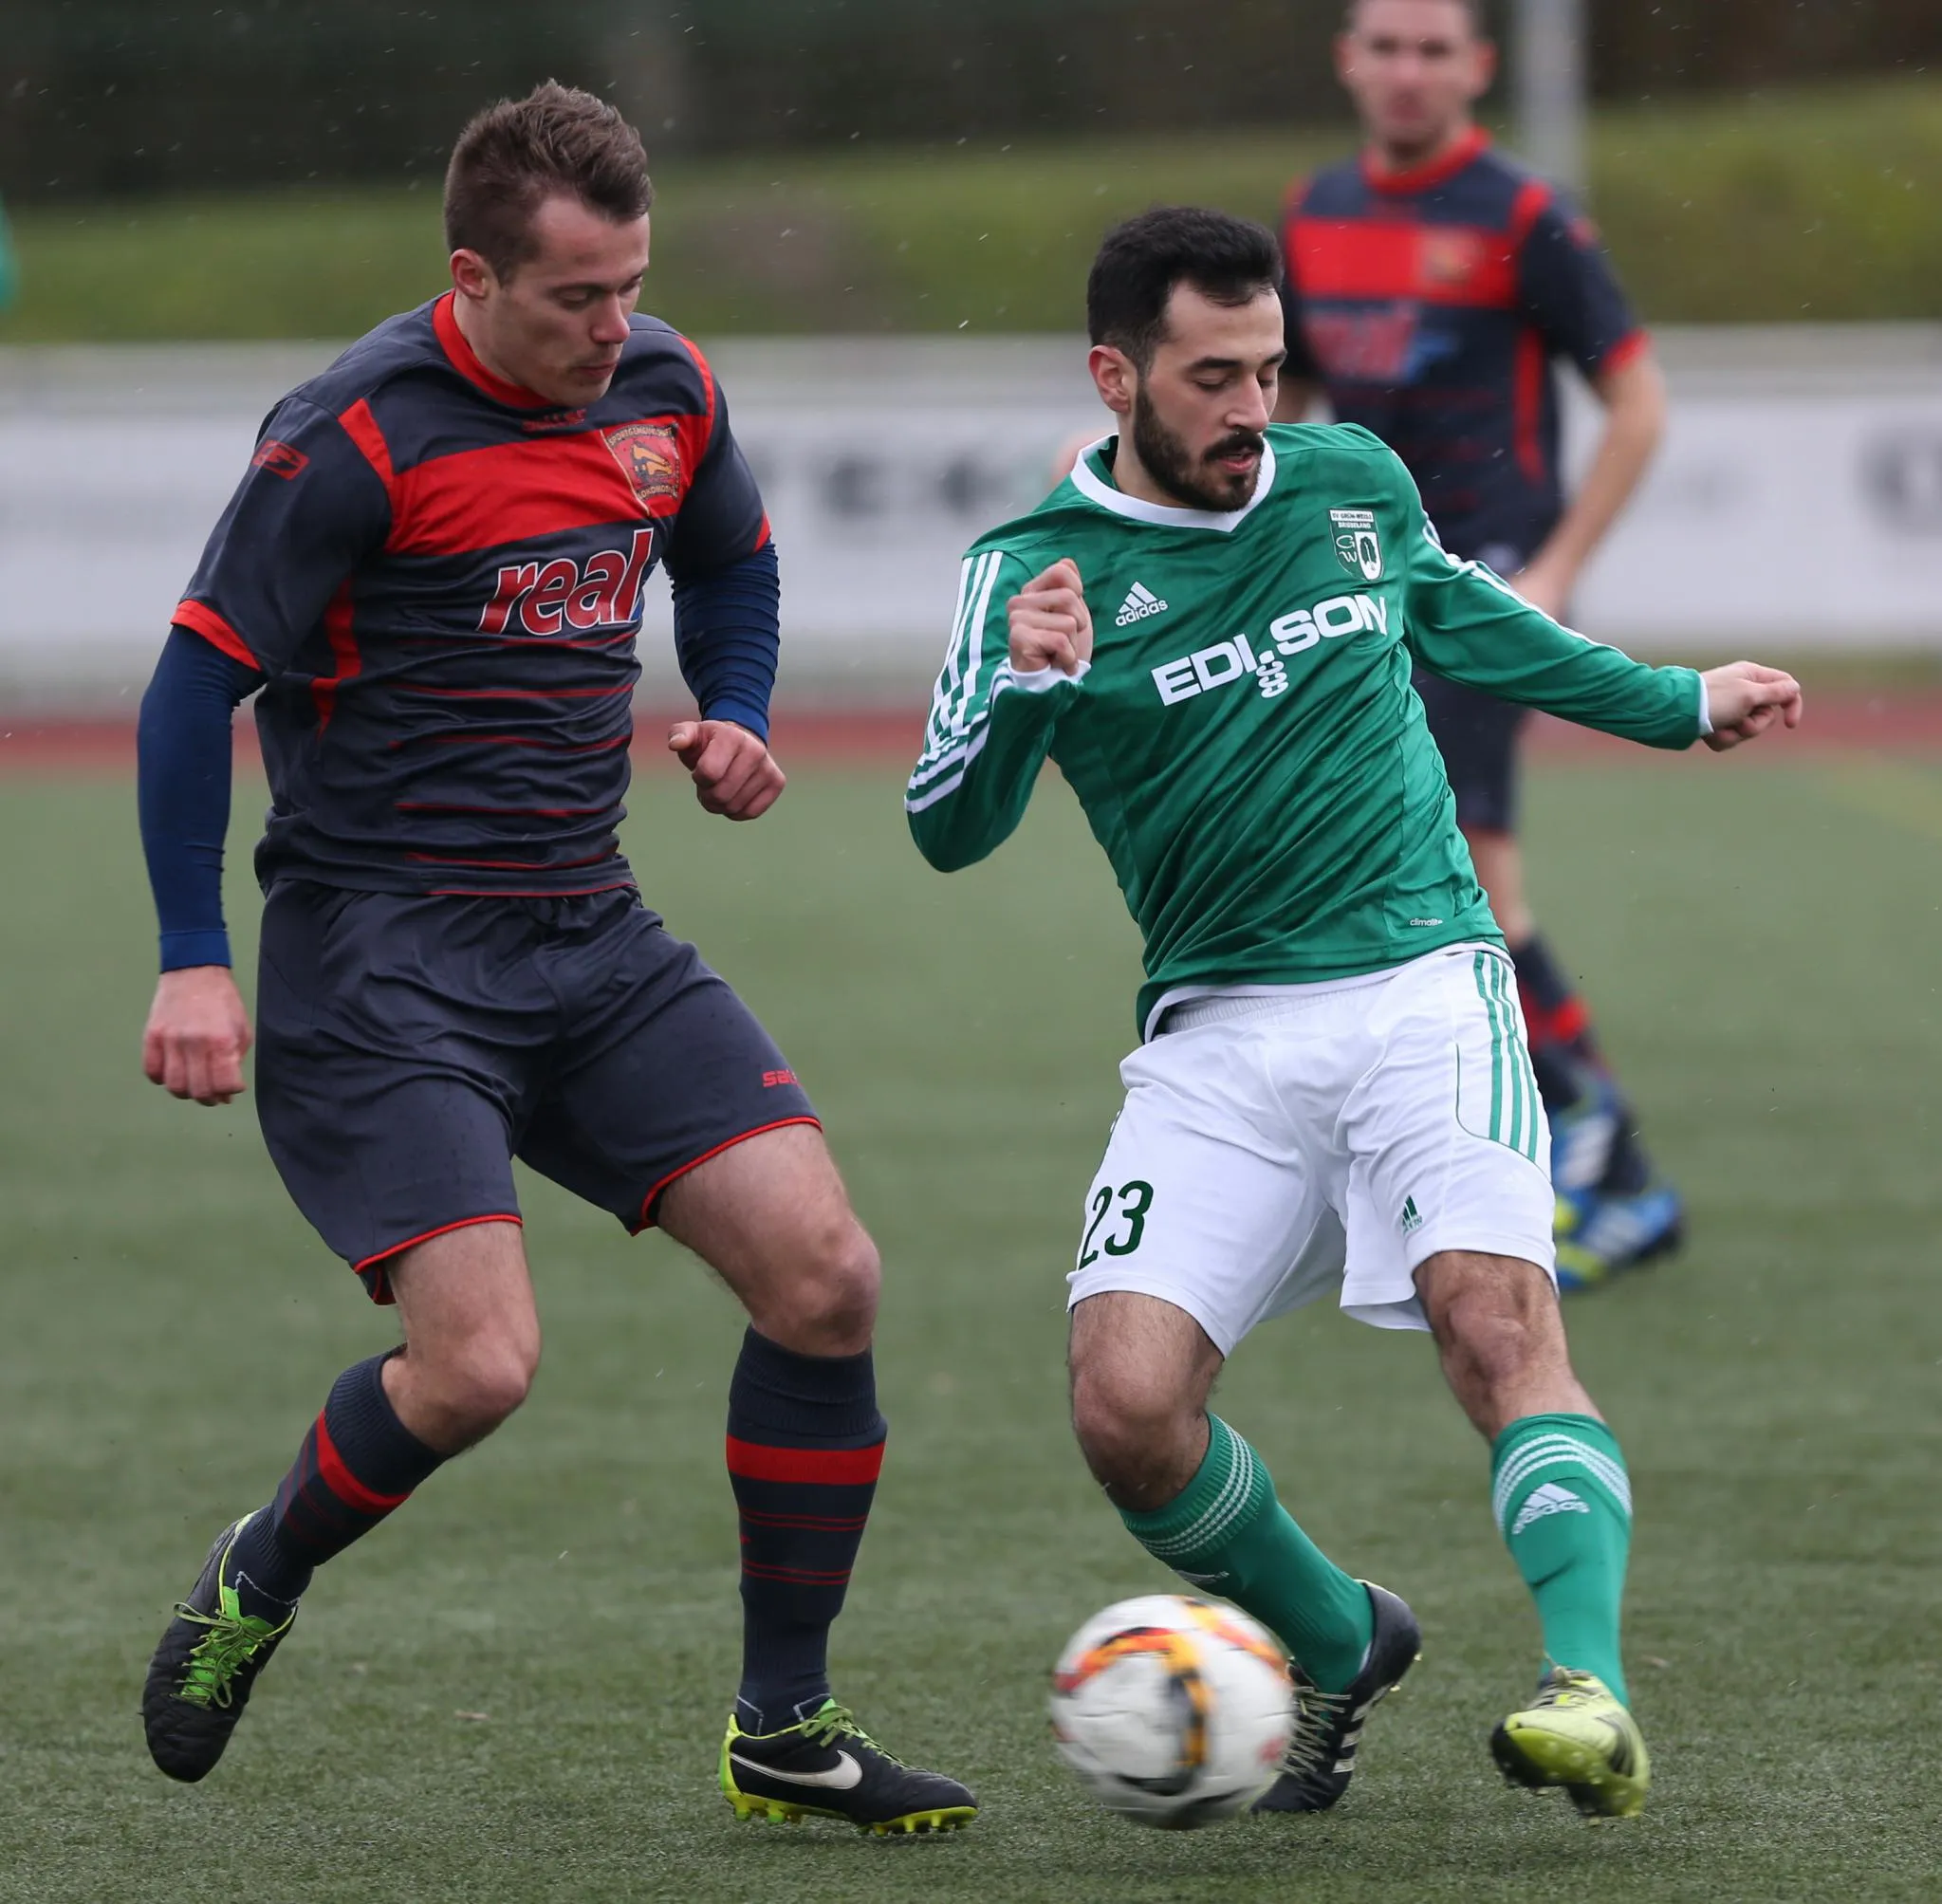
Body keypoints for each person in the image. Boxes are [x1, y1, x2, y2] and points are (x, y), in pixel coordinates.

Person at [134, 81, 974, 1838]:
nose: (615, 328)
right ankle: (258, 1574)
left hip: (588, 933)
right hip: (381, 962)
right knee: (478, 1369)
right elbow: (195, 681)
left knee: (826, 1275)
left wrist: (737, 710)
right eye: (577, 297)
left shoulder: (667, 389)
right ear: (474, 278)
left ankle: (783, 1723)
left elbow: (733, 565)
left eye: (631, 286)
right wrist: (193, 956)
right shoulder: (354, 434)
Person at [907, 206, 1798, 1820]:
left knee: (1495, 1322)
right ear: (1114, 377)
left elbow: (1467, 617)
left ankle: (1586, 1686)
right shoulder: (1024, 575)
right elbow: (946, 828)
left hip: (1420, 983)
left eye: (1267, 368)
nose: (1253, 409)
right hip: (1214, 1033)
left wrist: (1674, 703)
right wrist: (1031, 685)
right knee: (1125, 1409)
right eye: (1211, 377)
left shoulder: (1350, 483)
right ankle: (1337, 1636)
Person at [1277, 0, 1674, 1286]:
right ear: (1347, 61)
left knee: (1466, 870)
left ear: (1478, 69)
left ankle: (1594, 1141)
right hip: (1362, 589)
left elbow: (1636, 401)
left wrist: (1552, 570)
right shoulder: (1313, 212)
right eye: (1386, 47)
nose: (1408, 71)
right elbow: (1289, 400)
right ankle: (1592, 1154)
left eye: (1433, 49)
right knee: (1413, 870)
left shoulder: (1522, 213)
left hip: (1481, 583)